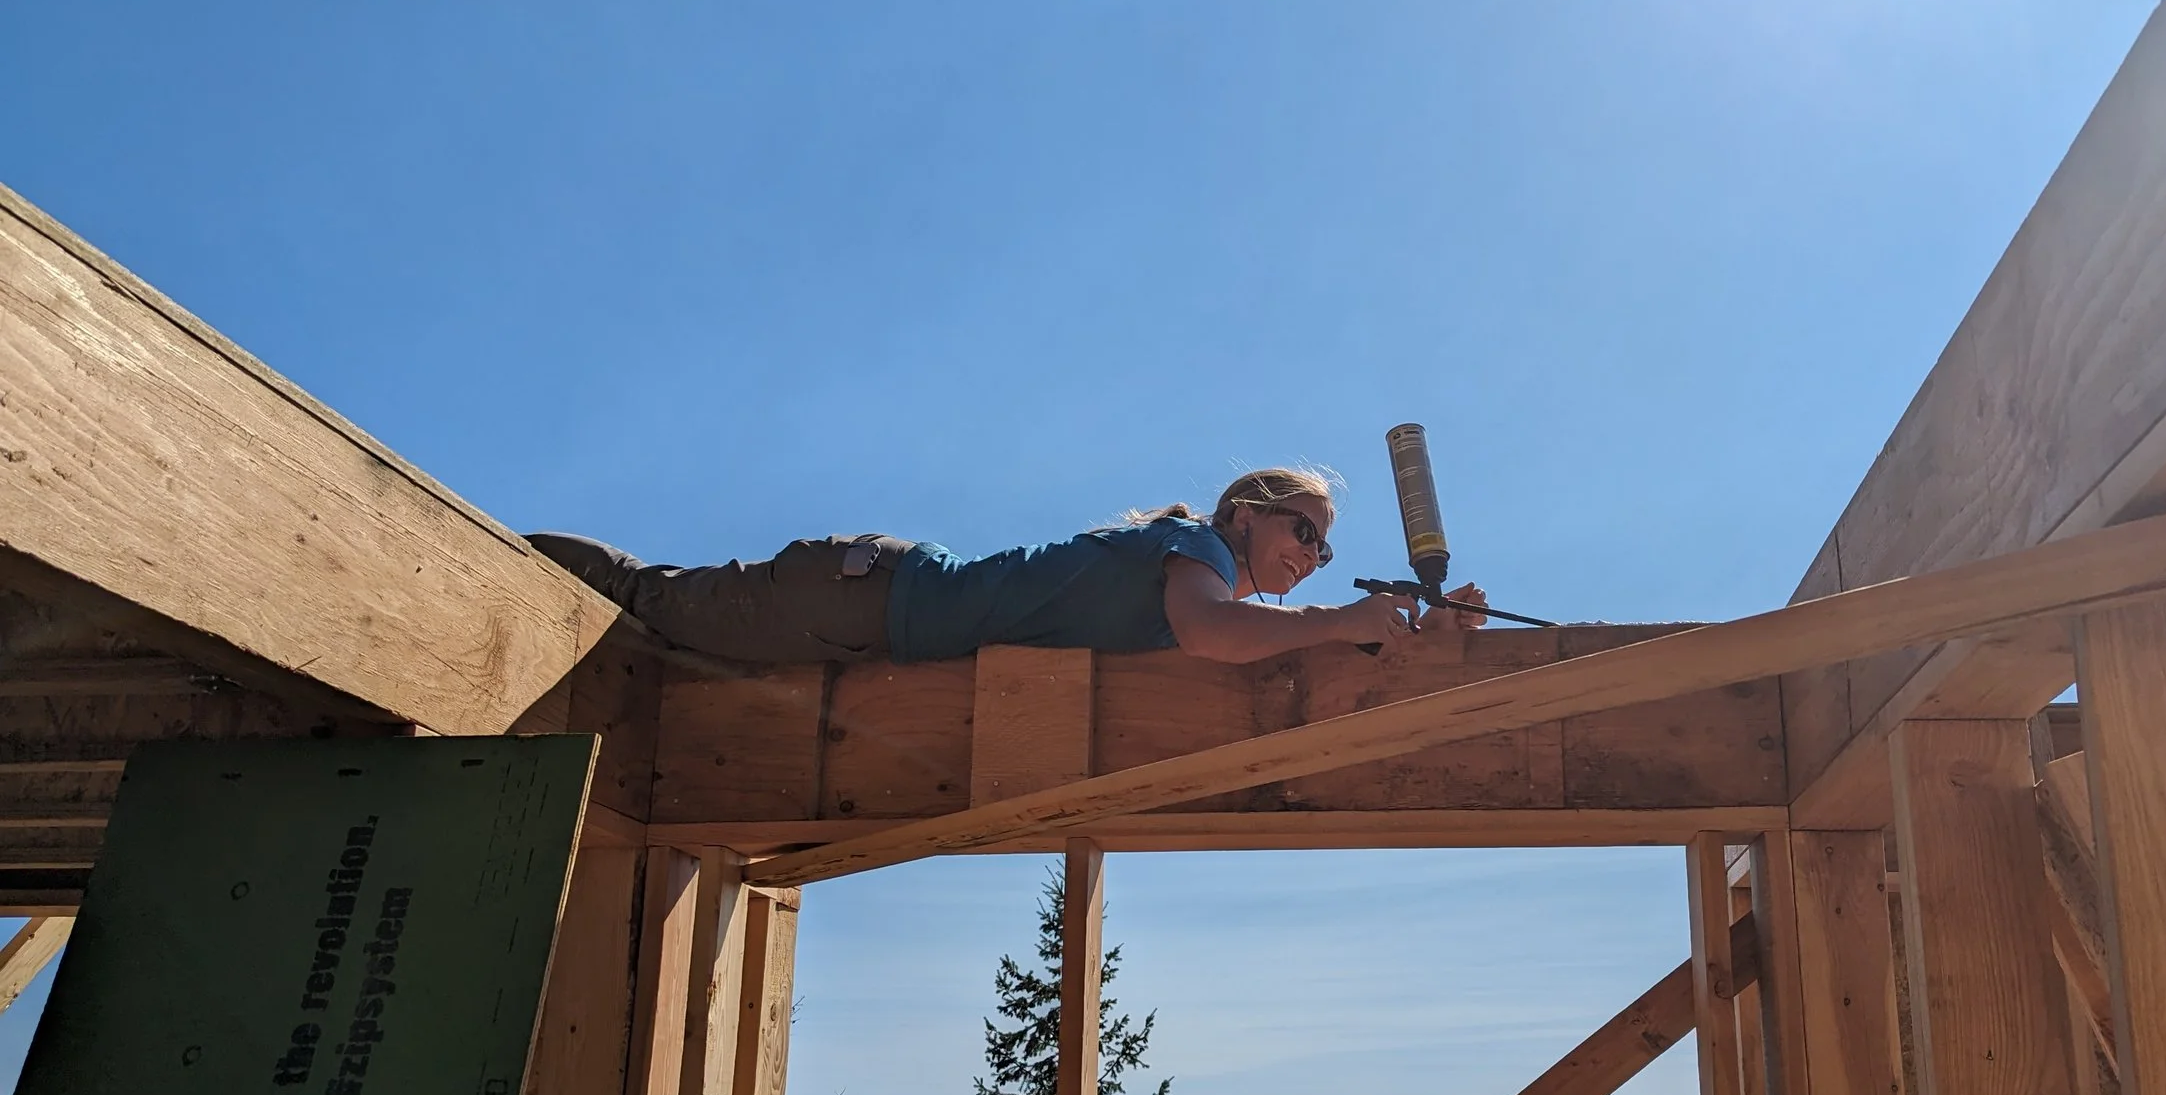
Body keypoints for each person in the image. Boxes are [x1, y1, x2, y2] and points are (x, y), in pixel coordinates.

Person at [528, 466, 1487, 666]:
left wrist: (1424, 634)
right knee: (649, 600)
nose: (1314, 557)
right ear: (1244, 514)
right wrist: (1342, 622)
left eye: (1326, 548)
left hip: (870, 614)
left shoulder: (1203, 581)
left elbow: (1252, 639)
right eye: (1304, 531)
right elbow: (1213, 633)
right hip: (865, 595)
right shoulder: (1194, 551)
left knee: (660, 637)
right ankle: (486, 561)